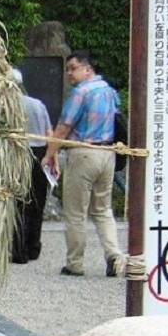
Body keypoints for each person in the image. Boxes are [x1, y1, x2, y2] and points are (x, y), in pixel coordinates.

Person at [42, 51, 125, 277]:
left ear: (87, 69)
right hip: (107, 152)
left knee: (75, 211)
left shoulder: (81, 93)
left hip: (83, 153)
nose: (69, 73)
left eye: (73, 68)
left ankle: (75, 263)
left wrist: (51, 153)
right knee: (103, 209)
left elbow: (64, 126)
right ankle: (114, 255)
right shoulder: (110, 91)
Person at [11, 68, 53, 264]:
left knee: (18, 202)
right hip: (41, 153)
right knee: (37, 202)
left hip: (17, 153)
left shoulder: (8, 105)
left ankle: (18, 250)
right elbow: (49, 132)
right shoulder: (38, 104)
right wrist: (53, 158)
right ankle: (33, 246)